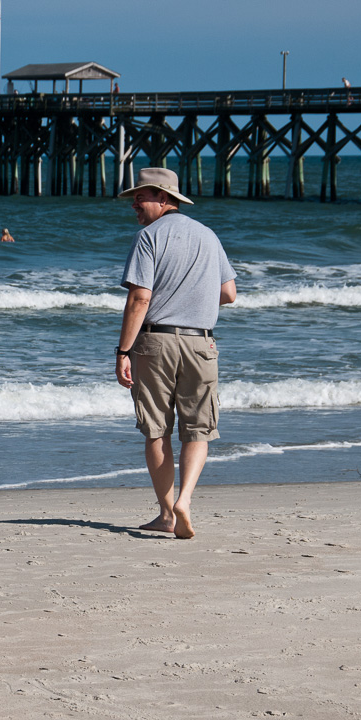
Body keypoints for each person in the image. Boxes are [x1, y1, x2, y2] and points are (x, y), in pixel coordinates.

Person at [115, 168, 237, 539]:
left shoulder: (148, 237)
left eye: (143, 196)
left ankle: (168, 512)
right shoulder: (208, 235)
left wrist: (122, 350)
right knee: (198, 427)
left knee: (156, 429)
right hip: (203, 343)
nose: (135, 203)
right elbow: (229, 293)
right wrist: (192, 296)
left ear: (164, 199)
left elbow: (140, 298)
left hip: (156, 342)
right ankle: (185, 499)